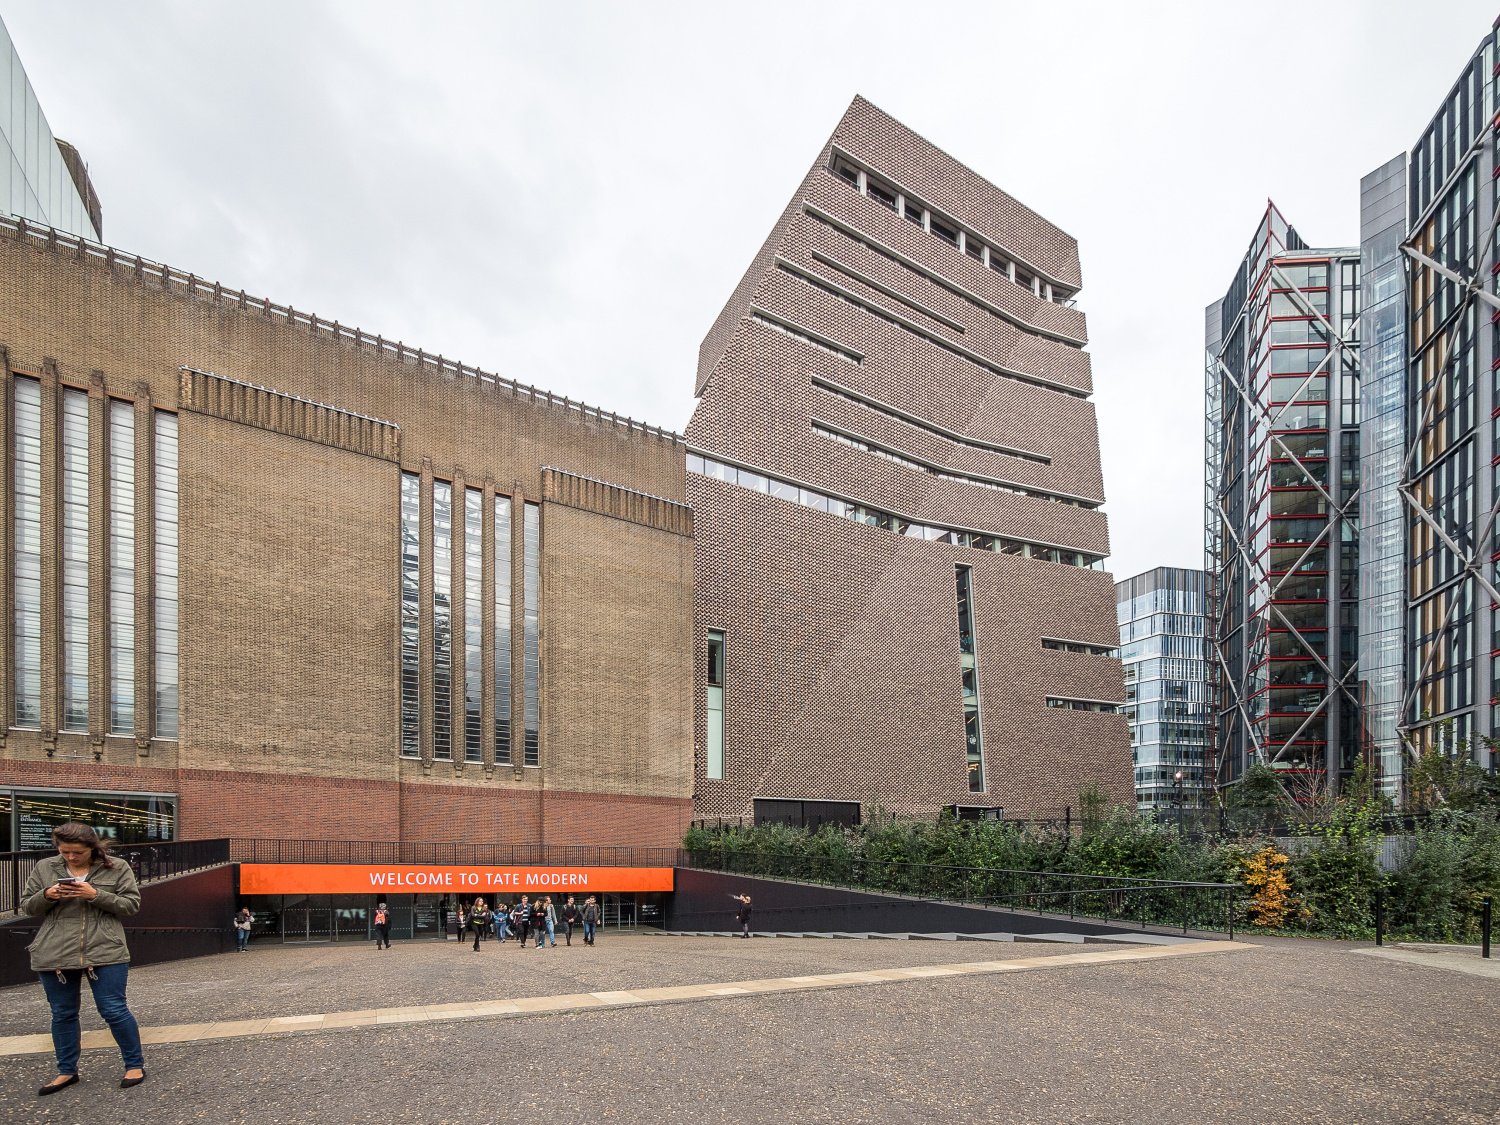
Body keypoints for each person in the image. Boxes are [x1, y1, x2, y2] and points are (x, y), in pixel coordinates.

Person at [21, 821, 146, 1095]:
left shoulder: (116, 867)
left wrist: (95, 894)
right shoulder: (45, 868)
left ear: (92, 848)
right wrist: (47, 895)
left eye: (77, 852)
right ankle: (66, 1071)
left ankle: (134, 1064)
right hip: (55, 951)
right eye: (65, 852)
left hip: (105, 949)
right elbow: (27, 906)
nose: (70, 857)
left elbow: (131, 905)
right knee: (62, 1013)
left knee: (113, 1009)